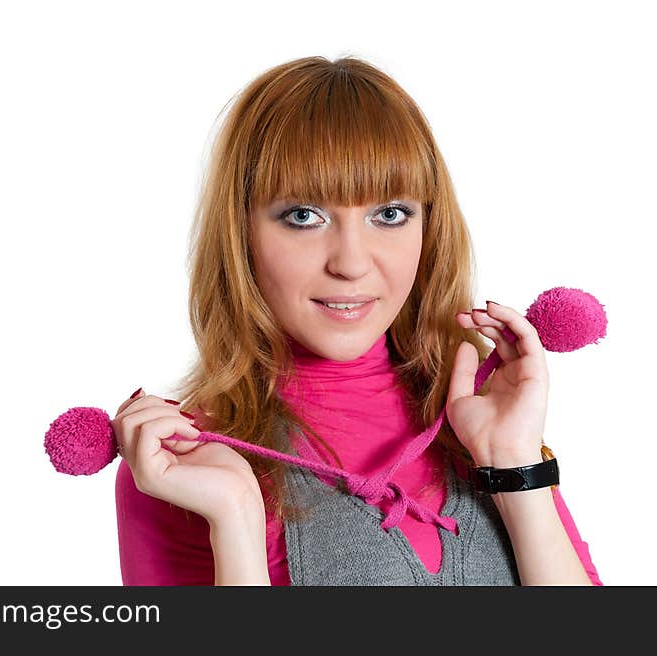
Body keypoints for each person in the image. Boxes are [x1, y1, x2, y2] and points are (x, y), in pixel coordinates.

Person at [113, 55, 602, 586]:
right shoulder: (185, 461)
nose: (350, 263)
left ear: (427, 228)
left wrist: (513, 465)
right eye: (304, 216)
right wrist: (235, 520)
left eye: (389, 214)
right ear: (241, 232)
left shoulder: (478, 418)